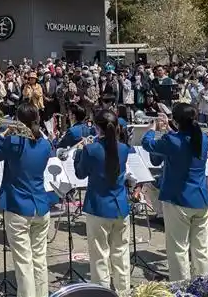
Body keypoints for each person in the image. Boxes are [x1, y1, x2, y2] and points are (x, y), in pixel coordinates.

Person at [0, 103, 51, 297]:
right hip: (40, 205)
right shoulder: (45, 144)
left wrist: (1, 135)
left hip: (18, 206)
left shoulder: (12, 142)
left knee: (24, 262)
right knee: (39, 259)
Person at [142, 103, 208, 282]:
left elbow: (147, 143)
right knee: (201, 248)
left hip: (178, 199)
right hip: (201, 197)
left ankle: (182, 286)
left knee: (178, 248)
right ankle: (205, 284)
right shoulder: (201, 138)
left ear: (176, 120)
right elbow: (182, 139)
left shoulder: (172, 141)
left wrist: (153, 129)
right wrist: (170, 128)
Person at [74, 108, 131, 293]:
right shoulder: (123, 148)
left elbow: (80, 173)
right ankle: (124, 291)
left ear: (97, 128)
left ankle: (102, 292)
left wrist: (79, 153)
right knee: (121, 255)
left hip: (98, 206)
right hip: (120, 205)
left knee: (100, 256)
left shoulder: (92, 149)